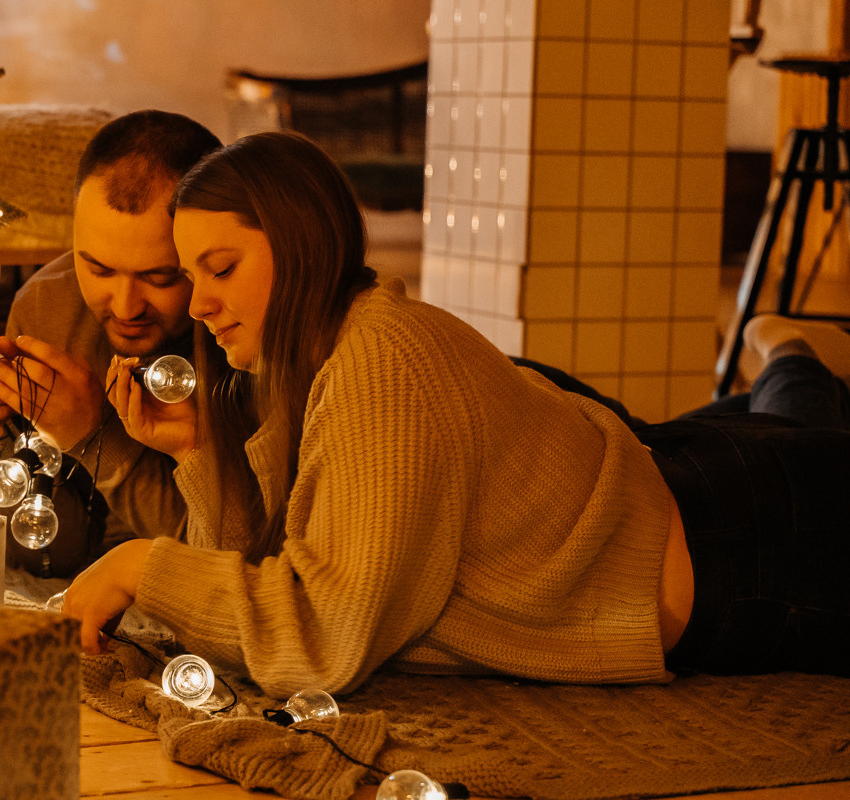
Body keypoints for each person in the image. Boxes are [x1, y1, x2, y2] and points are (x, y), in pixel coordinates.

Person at [61, 130, 850, 698]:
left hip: (753, 542)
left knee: (805, 437)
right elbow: (270, 574)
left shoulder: (381, 360)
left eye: (221, 269)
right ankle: (791, 358)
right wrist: (201, 454)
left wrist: (140, 566)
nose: (200, 306)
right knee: (791, 420)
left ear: (299, 245)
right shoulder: (315, 363)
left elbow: (322, 636)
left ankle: (790, 357)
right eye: (192, 276)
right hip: (695, 482)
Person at [0, 110, 222, 577]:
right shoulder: (46, 308)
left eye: (159, 277)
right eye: (97, 269)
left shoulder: (236, 326)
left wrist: (97, 439)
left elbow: (223, 554)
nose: (126, 306)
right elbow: (44, 552)